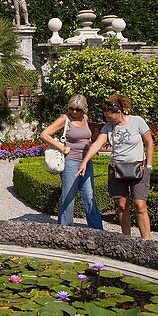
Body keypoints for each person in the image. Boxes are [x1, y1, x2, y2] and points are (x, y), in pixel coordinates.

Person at [78, 93, 155, 240]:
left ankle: (147, 241)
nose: (107, 119)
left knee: (140, 205)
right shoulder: (108, 127)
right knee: (121, 205)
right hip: (117, 170)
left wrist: (149, 165)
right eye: (106, 117)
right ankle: (126, 239)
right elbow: (96, 145)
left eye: (110, 116)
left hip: (138, 168)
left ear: (118, 112)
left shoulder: (137, 121)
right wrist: (84, 162)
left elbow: (149, 142)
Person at [40, 95, 103, 229]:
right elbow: (44, 134)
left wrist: (90, 147)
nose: (74, 112)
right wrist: (62, 148)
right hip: (71, 162)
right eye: (72, 108)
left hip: (86, 162)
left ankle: (97, 229)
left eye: (78, 109)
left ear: (84, 109)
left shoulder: (85, 118)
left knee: (89, 195)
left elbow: (86, 137)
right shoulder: (65, 119)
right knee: (68, 196)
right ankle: (65, 228)